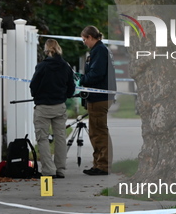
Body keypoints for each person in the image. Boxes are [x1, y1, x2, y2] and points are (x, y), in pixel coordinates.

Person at [30, 39, 76, 178]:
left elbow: (33, 85)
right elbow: (71, 87)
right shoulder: (65, 66)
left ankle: (48, 170)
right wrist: (65, 95)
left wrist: (37, 96)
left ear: (46, 50)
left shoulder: (42, 67)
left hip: (43, 107)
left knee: (42, 139)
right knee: (60, 137)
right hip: (59, 106)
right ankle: (60, 169)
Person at [80, 26, 117, 176]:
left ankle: (103, 165)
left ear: (90, 37)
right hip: (98, 96)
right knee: (95, 131)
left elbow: (96, 73)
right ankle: (98, 163)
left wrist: (82, 80)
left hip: (99, 97)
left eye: (84, 40)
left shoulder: (99, 51)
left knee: (99, 132)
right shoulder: (99, 50)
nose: (84, 43)